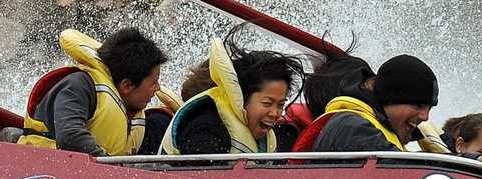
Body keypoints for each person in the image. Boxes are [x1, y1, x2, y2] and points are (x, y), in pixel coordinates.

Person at [294, 54, 482, 179]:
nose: (425, 116)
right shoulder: (351, 126)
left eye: (429, 107)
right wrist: (474, 161)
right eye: (418, 105)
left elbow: (437, 149)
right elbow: (405, 167)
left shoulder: (386, 128)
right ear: (390, 99)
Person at [17, 27, 167, 156]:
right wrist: (112, 168)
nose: (158, 88)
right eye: (154, 82)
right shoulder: (79, 85)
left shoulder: (130, 110)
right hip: (43, 168)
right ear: (127, 86)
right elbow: (70, 136)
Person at [160, 27, 305, 155]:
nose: (275, 114)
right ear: (242, 97)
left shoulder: (269, 138)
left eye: (280, 105)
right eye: (267, 103)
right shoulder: (205, 126)